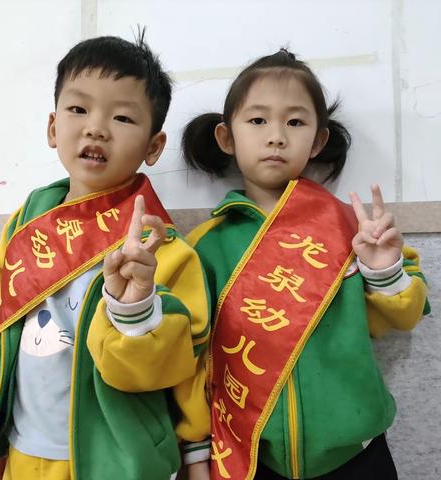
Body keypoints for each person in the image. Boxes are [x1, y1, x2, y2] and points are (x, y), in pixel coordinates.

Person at [0, 35, 211, 480]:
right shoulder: (26, 226)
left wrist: (196, 455)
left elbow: (185, 370)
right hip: (25, 458)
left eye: (121, 117)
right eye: (79, 110)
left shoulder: (165, 249)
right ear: (53, 128)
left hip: (122, 464)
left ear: (153, 147)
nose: (96, 128)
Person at [182, 48, 429, 480]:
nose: (276, 136)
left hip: (357, 453)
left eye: (295, 122)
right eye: (257, 121)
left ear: (318, 140)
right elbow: (194, 359)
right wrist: (195, 452)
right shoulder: (204, 247)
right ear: (227, 138)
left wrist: (383, 270)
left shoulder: (350, 227)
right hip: (254, 456)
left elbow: (402, 317)